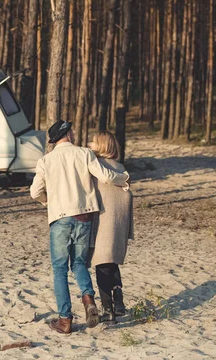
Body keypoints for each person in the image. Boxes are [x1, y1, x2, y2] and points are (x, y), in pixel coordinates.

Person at [30, 120, 130, 334]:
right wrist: (124, 178)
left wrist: (48, 201)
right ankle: (88, 299)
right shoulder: (85, 153)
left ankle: (65, 320)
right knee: (79, 264)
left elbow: (35, 192)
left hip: (60, 217)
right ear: (68, 135)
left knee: (59, 269)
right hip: (84, 216)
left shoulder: (45, 161)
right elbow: (105, 176)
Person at [88, 131, 134, 324]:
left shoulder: (97, 168)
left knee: (101, 266)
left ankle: (108, 308)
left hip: (102, 223)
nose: (89, 144)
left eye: (93, 141)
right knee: (112, 263)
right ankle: (119, 298)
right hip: (119, 223)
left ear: (101, 145)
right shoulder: (121, 168)